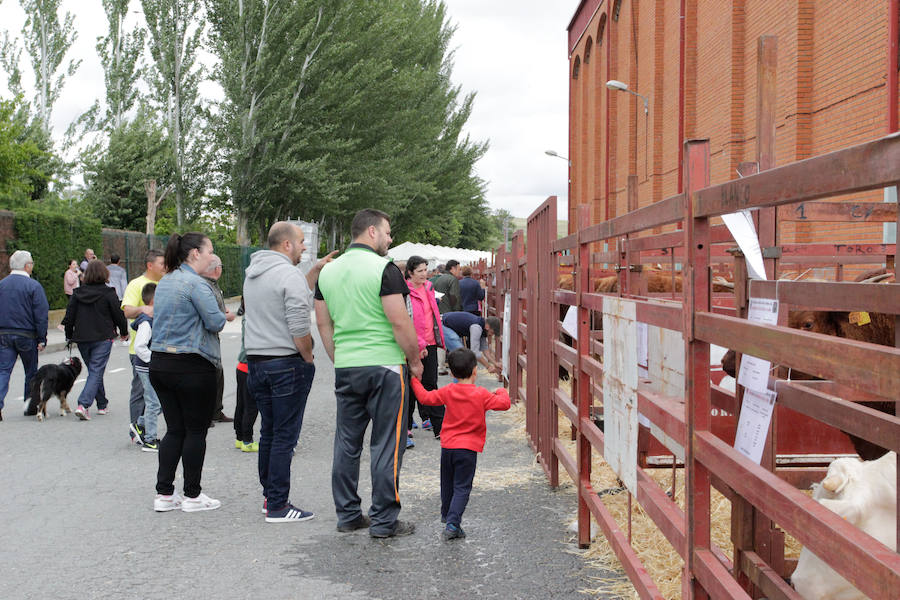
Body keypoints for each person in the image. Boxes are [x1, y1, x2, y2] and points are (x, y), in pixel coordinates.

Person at [315, 208, 424, 538]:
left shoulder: (328, 272)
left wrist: (340, 357)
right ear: (372, 232)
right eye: (388, 233)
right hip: (386, 366)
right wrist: (415, 361)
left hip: (348, 365)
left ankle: (348, 514)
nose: (390, 239)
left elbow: (323, 323)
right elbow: (399, 321)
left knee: (347, 443)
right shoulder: (384, 269)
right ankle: (384, 520)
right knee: (387, 444)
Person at [243, 222, 335, 523]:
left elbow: (292, 291)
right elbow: (298, 325)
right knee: (285, 437)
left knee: (269, 432)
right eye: (301, 242)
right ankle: (280, 505)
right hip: (285, 363)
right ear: (287, 245)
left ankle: (271, 498)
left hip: (257, 363)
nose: (304, 247)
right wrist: (308, 356)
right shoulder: (288, 275)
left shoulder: (255, 273)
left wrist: (315, 270)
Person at [150, 232, 226, 513]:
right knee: (196, 431)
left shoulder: (166, 281)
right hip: (192, 365)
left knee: (174, 430)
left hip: (160, 363)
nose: (210, 256)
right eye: (209, 251)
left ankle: (165, 494)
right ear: (195, 253)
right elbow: (215, 321)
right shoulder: (196, 284)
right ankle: (192, 496)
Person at [411, 347, 511, 540]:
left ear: (451, 373)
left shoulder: (448, 391)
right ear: (475, 371)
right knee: (462, 487)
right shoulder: (481, 394)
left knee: (447, 483)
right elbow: (504, 404)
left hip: (448, 446)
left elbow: (425, 398)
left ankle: (446, 514)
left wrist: (414, 380)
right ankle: (453, 524)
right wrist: (501, 390)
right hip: (468, 448)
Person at [63, 260, 129, 420]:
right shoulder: (109, 293)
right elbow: (118, 315)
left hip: (83, 338)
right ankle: (83, 404)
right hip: (103, 337)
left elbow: (69, 316)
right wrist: (124, 332)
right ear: (105, 274)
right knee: (96, 370)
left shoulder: (77, 293)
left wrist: (69, 334)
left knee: (94, 370)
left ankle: (102, 404)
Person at [122, 249, 165, 445]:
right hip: (142, 351)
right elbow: (127, 310)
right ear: (150, 265)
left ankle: (142, 425)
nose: (165, 266)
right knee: (141, 393)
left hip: (162, 352)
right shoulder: (136, 284)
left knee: (160, 396)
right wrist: (144, 309)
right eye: (161, 263)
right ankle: (138, 432)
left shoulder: (166, 283)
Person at [0, 250, 48, 422]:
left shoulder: (2, 284)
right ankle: (30, 405)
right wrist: (42, 338)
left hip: (4, 333)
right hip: (27, 334)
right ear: (27, 266)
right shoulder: (33, 286)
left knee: (3, 370)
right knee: (31, 371)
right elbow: (41, 314)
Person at [405, 255, 445, 441]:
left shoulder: (429, 287)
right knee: (409, 385)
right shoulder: (404, 291)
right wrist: (418, 344)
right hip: (412, 343)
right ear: (410, 272)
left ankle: (440, 427)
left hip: (431, 342)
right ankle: (405, 427)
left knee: (431, 384)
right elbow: (407, 320)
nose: (424, 274)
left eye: (425, 270)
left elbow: (433, 316)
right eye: (420, 271)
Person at [200, 255, 236, 424]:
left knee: (217, 374)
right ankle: (207, 413)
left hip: (211, 337)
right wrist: (224, 316)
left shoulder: (210, 284)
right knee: (210, 375)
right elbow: (209, 315)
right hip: (205, 338)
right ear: (216, 269)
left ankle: (215, 411)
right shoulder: (204, 285)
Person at [131, 283, 161, 452]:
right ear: (153, 300)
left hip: (150, 366)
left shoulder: (153, 319)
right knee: (153, 403)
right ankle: (149, 440)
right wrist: (153, 361)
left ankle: (141, 424)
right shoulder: (146, 322)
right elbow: (140, 346)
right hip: (146, 367)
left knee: (160, 402)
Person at [232, 298, 258, 452]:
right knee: (251, 406)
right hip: (250, 367)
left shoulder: (246, 317)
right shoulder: (252, 320)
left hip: (242, 367)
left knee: (241, 404)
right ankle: (247, 440)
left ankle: (240, 437)